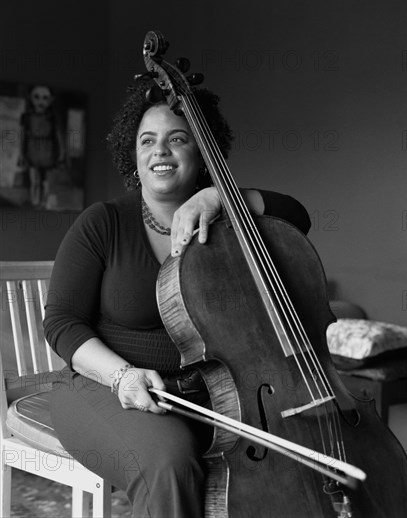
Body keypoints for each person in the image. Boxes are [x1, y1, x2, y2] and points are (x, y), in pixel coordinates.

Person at [44, 78, 311, 518]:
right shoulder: (103, 223)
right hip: (105, 386)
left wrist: (222, 196)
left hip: (215, 396)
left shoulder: (232, 223)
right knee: (170, 461)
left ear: (204, 153)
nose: (160, 151)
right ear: (133, 155)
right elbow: (61, 322)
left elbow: (297, 217)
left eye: (177, 139)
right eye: (147, 140)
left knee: (290, 456)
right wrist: (123, 376)